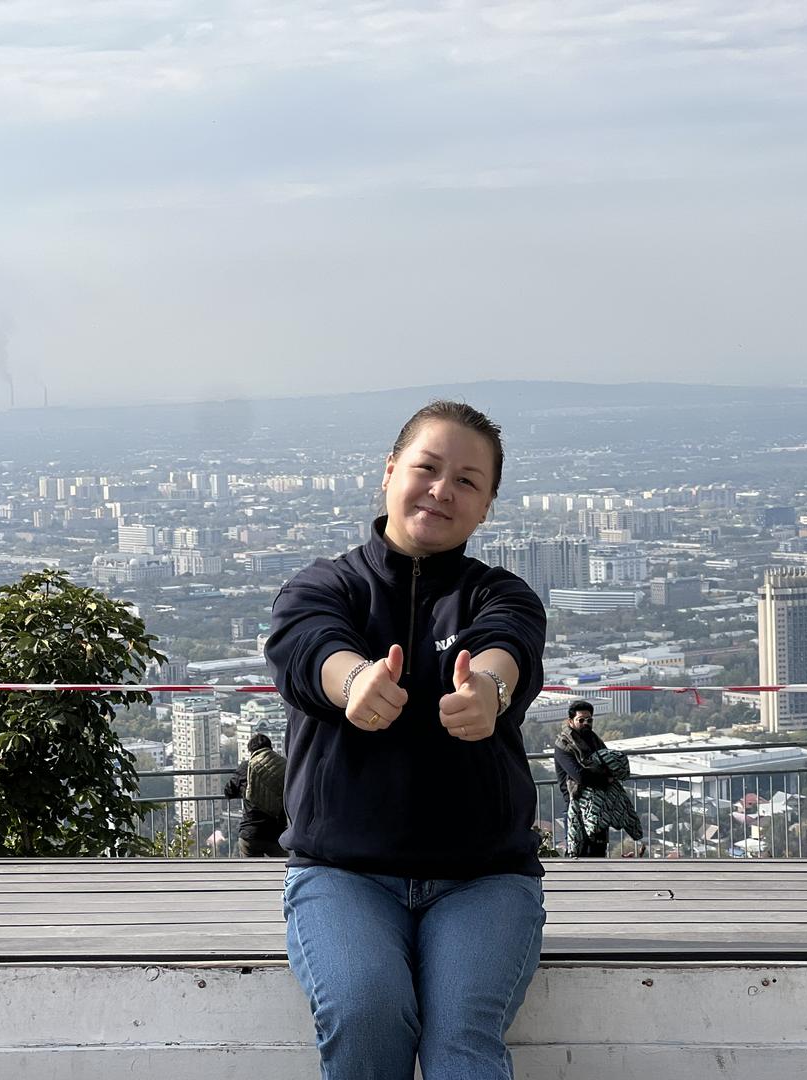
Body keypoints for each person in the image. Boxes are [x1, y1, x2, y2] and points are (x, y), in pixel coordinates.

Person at [266, 400, 547, 1080]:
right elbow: (307, 649)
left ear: (486, 508)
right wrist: (355, 682)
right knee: (365, 1012)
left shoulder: (499, 595)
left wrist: (489, 691)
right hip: (343, 873)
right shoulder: (322, 585)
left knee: (462, 1041)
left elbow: (507, 649)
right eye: (426, 468)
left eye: (468, 481)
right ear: (389, 473)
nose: (442, 490)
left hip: (483, 877)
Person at [553, 701, 611, 856]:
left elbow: (611, 765)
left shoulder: (596, 742)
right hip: (575, 808)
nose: (586, 723)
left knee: (598, 855)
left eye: (589, 720)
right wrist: (604, 779)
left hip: (598, 807)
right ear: (570, 721)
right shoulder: (563, 745)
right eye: (581, 720)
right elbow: (580, 776)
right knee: (577, 854)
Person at [223, 732, 287, 857]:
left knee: (251, 871)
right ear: (270, 749)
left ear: (251, 751)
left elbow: (228, 791)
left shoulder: (246, 767)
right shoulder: (283, 767)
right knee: (282, 871)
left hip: (250, 833)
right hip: (276, 834)